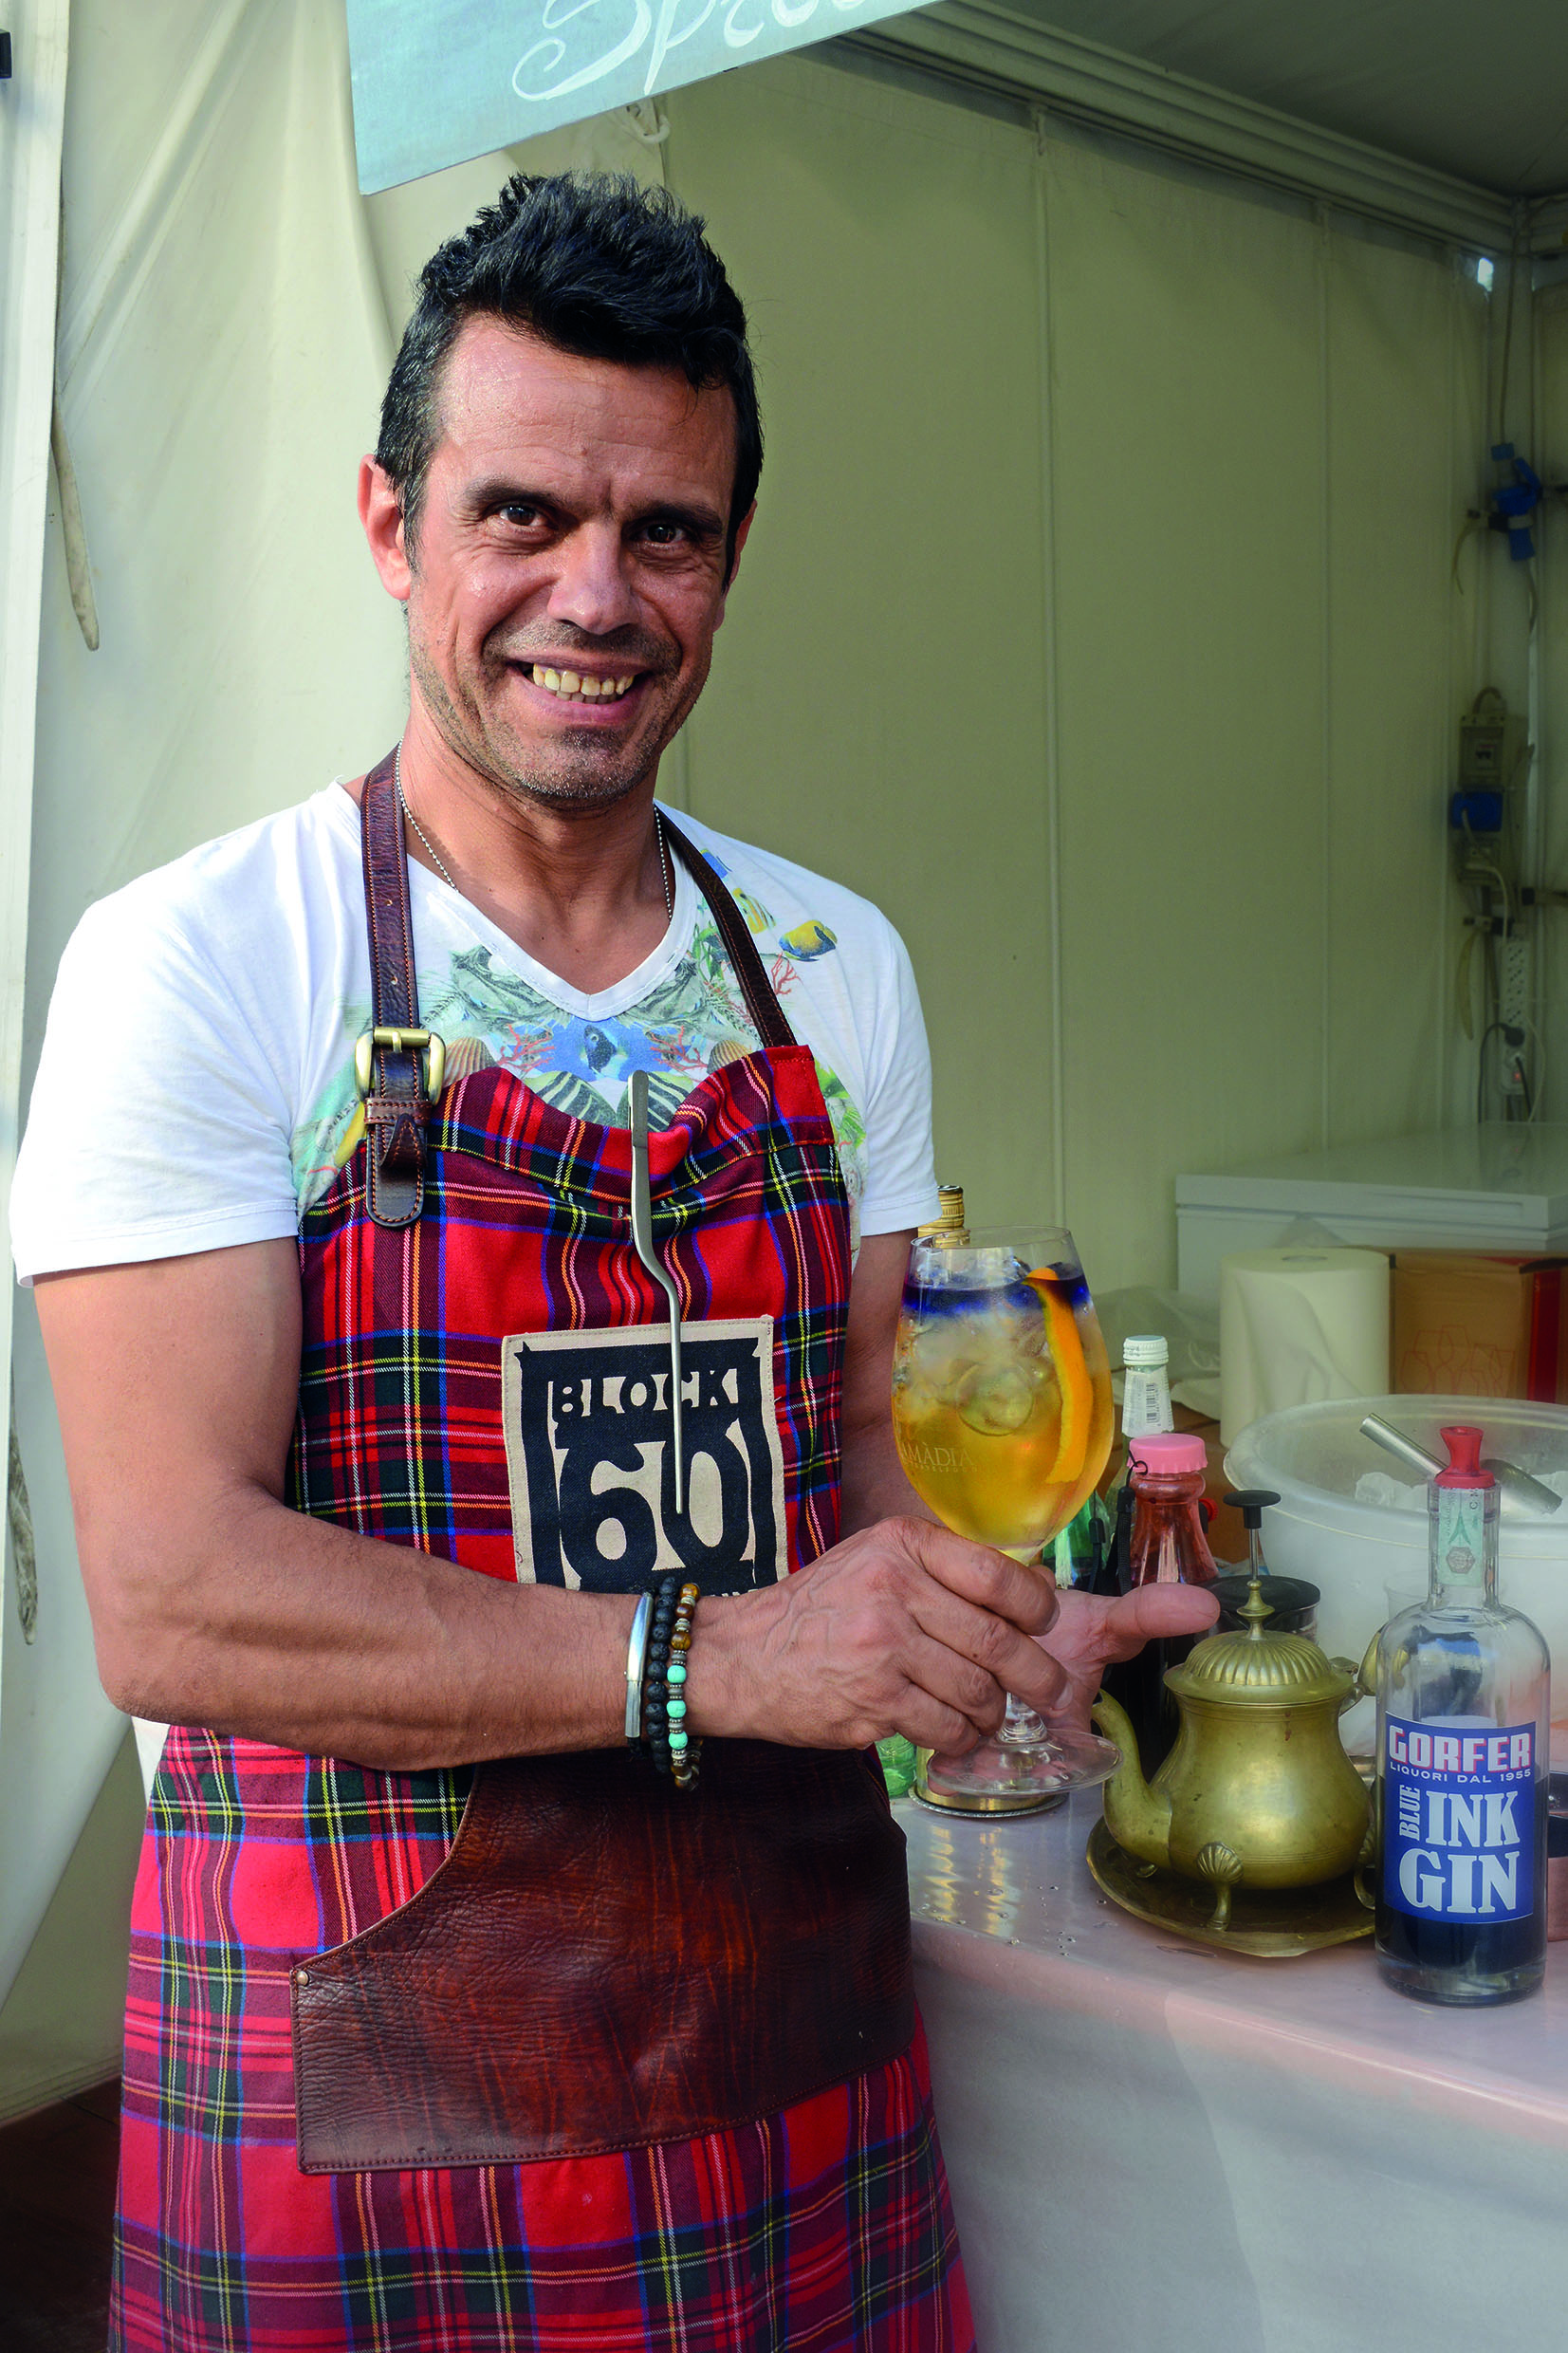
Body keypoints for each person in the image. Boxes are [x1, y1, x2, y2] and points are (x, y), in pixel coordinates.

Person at [13, 174, 1215, 2351]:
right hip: (361, 2055)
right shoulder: (202, 961)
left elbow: (860, 1440)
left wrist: (998, 1621)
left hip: (781, 2020)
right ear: (390, 524)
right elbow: (175, 1591)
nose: (595, 592)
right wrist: (709, 1658)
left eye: (665, 531)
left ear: (730, 561)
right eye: (523, 515)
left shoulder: (831, 965)